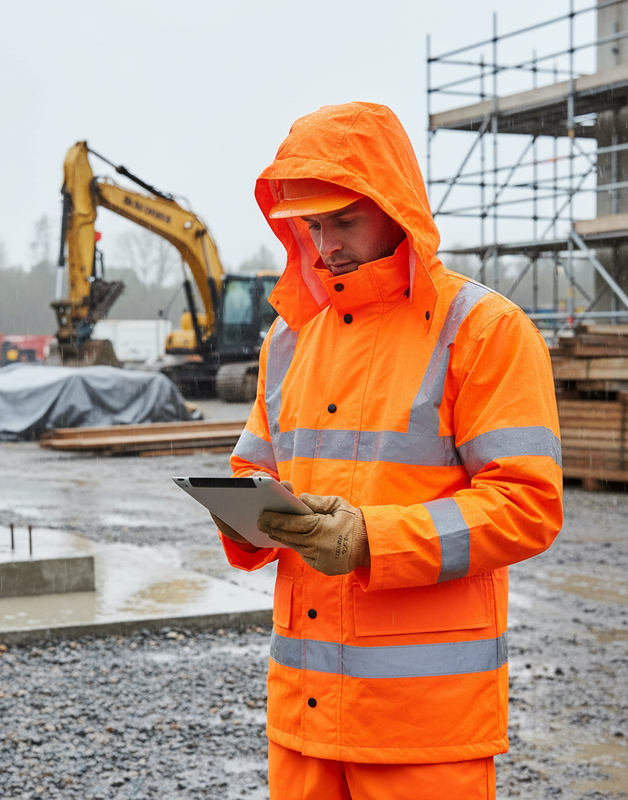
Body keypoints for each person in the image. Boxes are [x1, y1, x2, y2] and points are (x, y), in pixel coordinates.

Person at [213, 102, 564, 799]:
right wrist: (246, 518)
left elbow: (528, 505)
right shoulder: (289, 341)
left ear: (394, 206)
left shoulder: (484, 331)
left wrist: (372, 539)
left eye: (345, 220)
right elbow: (255, 470)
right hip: (305, 718)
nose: (326, 244)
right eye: (312, 225)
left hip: (424, 729)